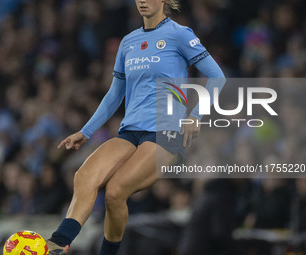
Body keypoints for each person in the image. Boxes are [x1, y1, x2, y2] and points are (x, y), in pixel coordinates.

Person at [46, 0, 225, 254]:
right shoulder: (128, 42)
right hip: (130, 131)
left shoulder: (180, 34)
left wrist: (196, 116)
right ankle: (59, 243)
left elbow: (218, 77)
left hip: (166, 131)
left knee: (115, 191)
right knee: (84, 176)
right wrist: (85, 131)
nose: (142, 0)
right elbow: (114, 94)